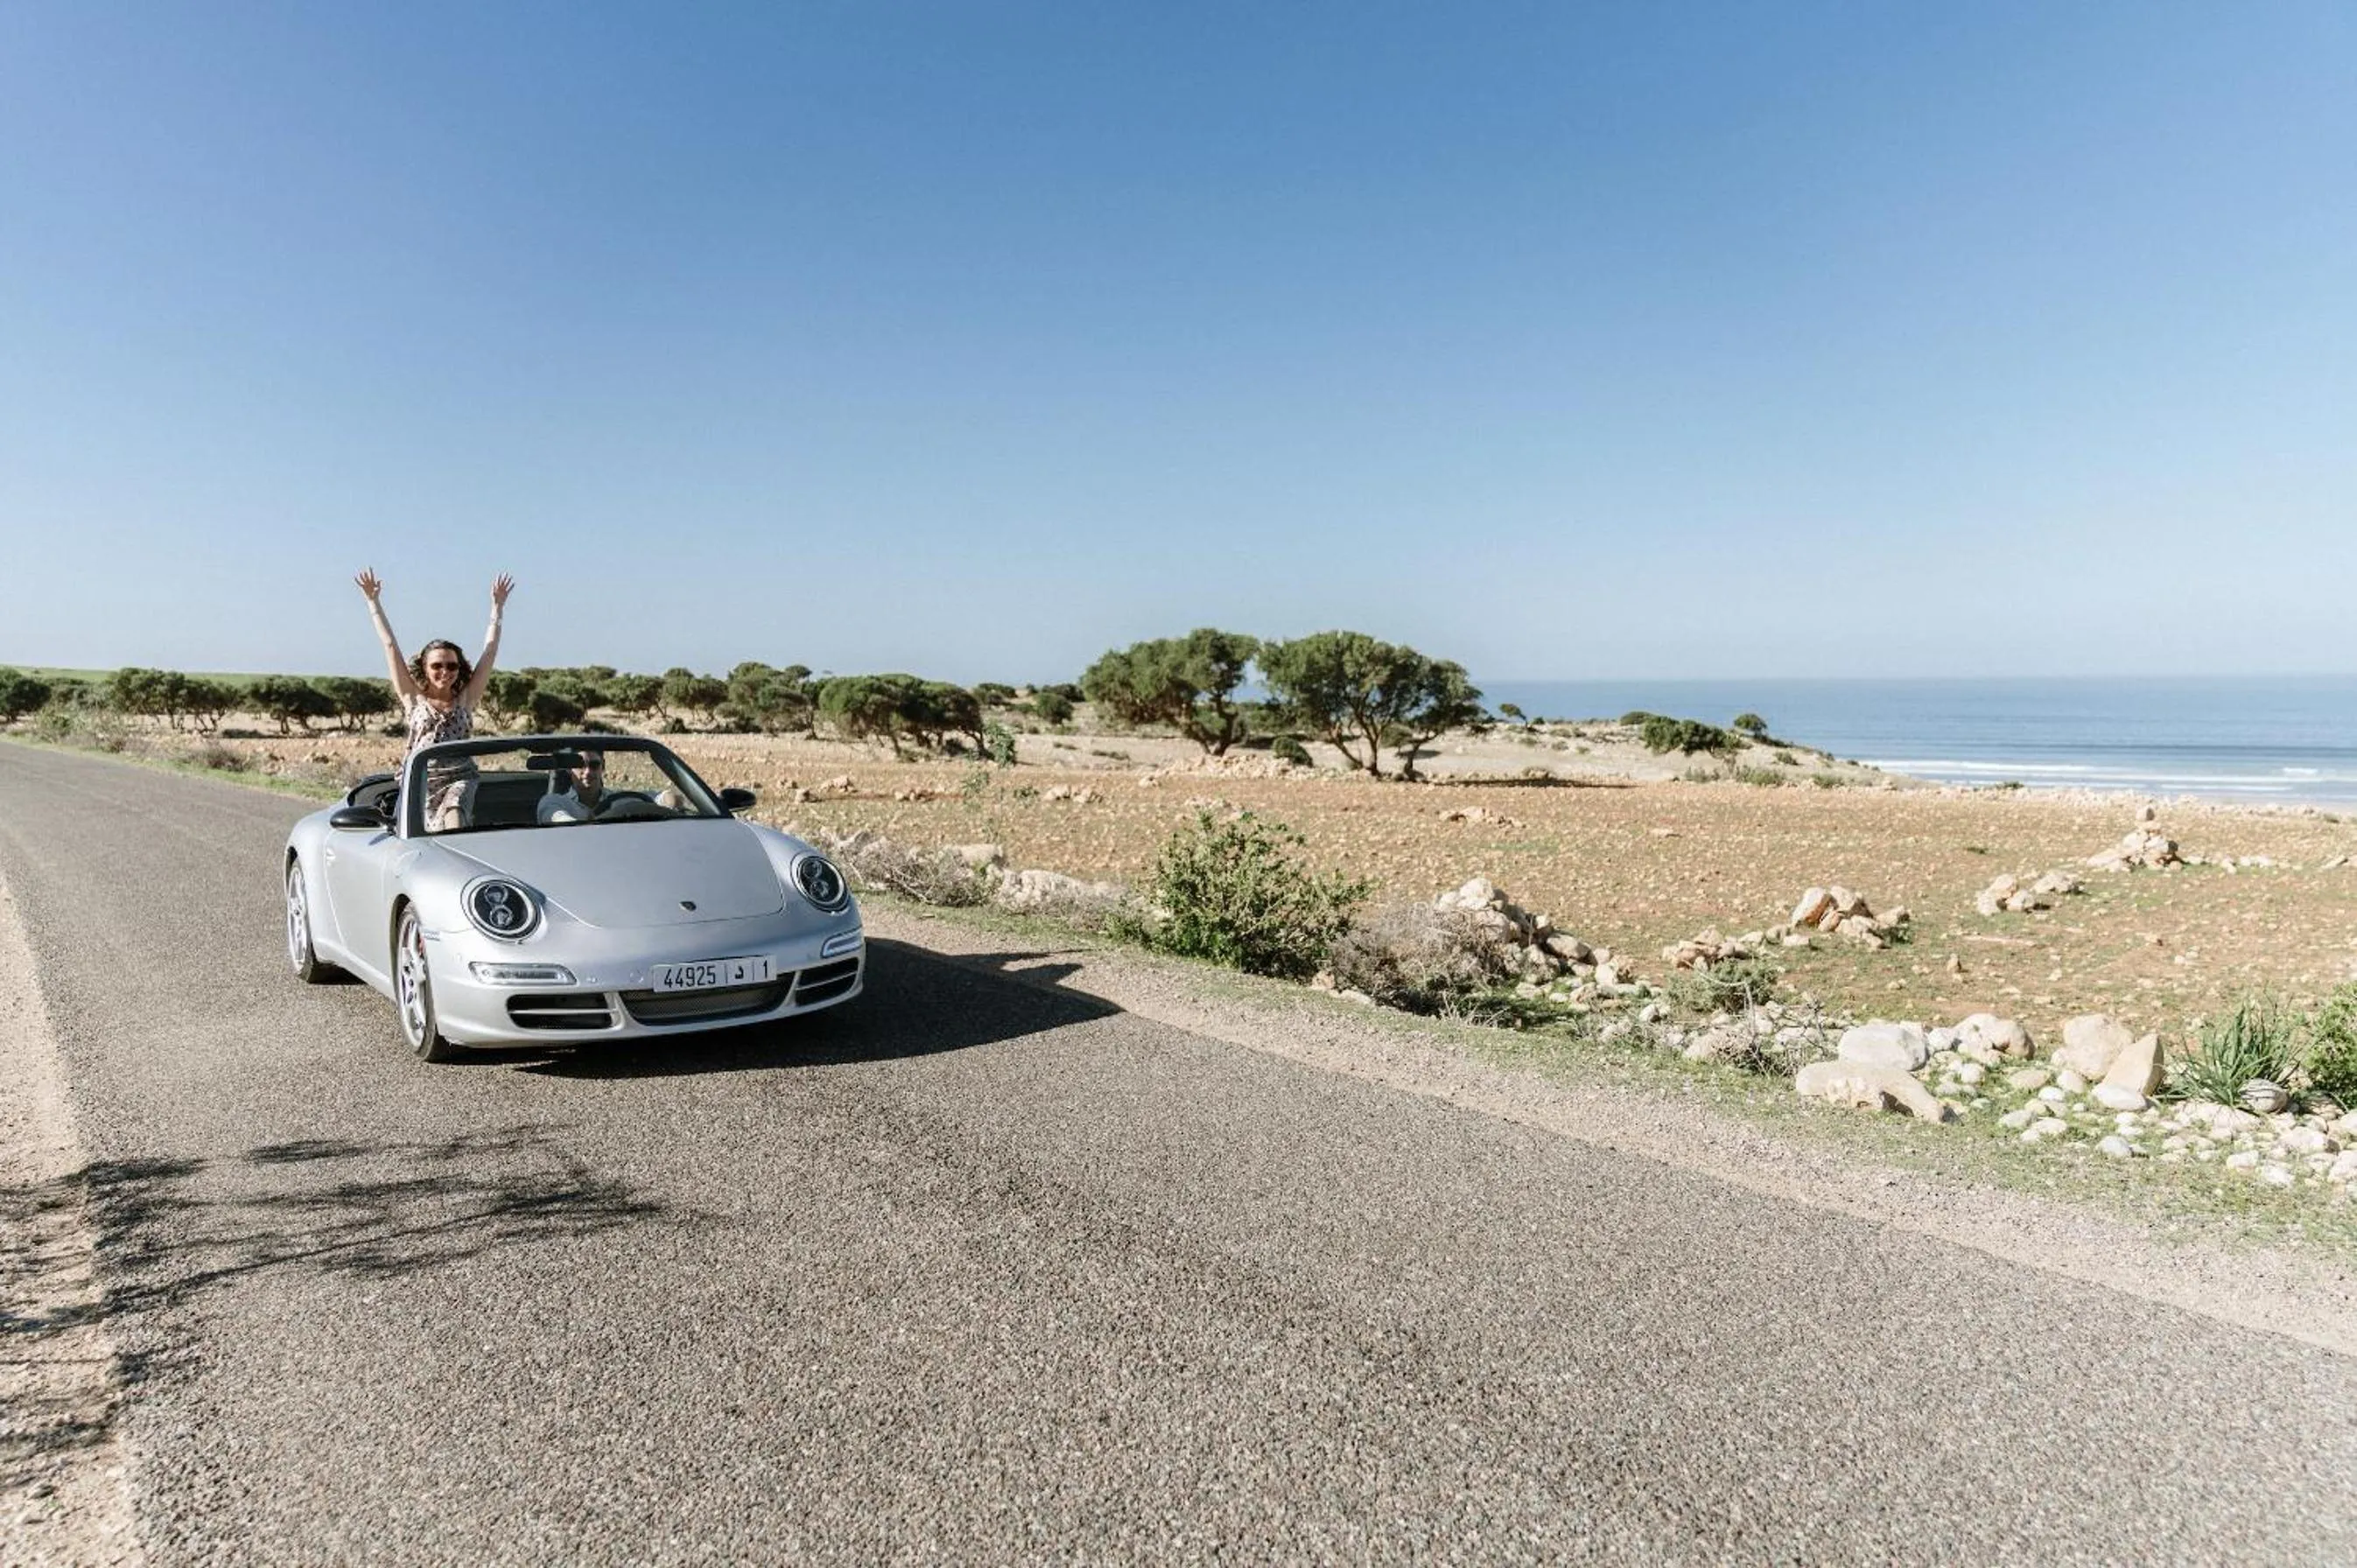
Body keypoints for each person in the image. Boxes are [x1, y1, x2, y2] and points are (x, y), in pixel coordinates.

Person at [356, 569, 514, 830]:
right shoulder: (413, 699)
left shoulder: (465, 700)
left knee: (455, 813)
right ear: (426, 669)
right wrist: (373, 602)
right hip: (420, 780)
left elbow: (490, 652)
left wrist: (497, 610)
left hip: (459, 778)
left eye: (452, 666)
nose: (445, 672)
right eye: (438, 666)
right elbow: (390, 646)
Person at [537, 750, 607, 824]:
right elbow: (556, 817)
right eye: (580, 765)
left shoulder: (617, 800)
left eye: (594, 765)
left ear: (603, 766)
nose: (588, 772)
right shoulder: (553, 801)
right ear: (570, 769)